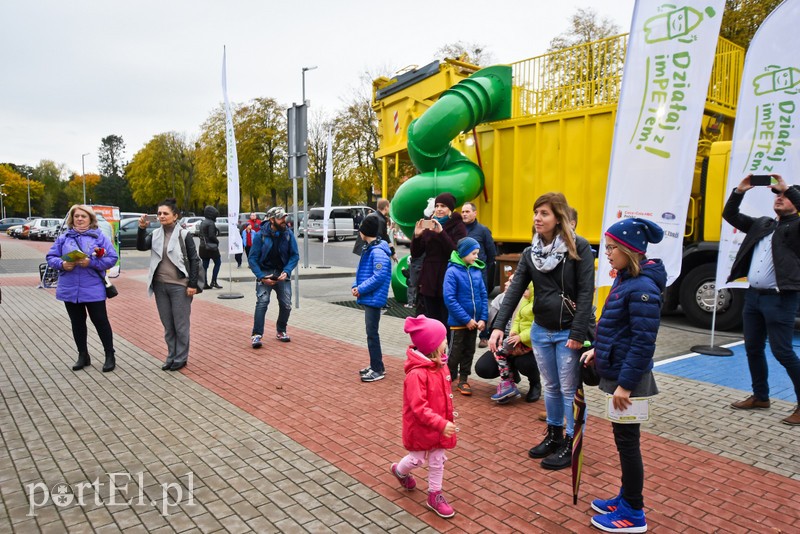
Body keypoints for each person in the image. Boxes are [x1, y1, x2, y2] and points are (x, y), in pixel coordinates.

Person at [489, 192, 594, 471]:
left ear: (559, 217)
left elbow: (586, 296)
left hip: (568, 332)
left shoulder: (579, 248)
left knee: (569, 389)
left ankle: (572, 443)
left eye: (544, 213)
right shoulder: (530, 252)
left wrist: (577, 334)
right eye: (536, 213)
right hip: (541, 330)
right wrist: (498, 326)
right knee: (551, 387)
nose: (537, 218)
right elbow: (512, 291)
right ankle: (555, 436)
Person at [582, 217, 666, 533]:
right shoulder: (627, 279)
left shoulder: (642, 287)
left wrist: (626, 386)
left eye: (613, 248)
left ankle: (633, 513)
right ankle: (626, 496)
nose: (608, 254)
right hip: (622, 374)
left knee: (628, 444)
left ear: (630, 250)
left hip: (631, 380)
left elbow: (644, 341)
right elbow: (619, 328)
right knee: (623, 442)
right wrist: (597, 349)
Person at [723, 174, 800, 426]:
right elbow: (731, 216)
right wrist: (740, 191)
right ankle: (760, 396)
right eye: (777, 195)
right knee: (753, 347)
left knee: (783, 352)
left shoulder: (796, 228)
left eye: (785, 196)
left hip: (780, 299)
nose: (779, 198)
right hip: (753, 297)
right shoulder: (764, 224)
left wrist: (788, 188)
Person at [390, 315, 457, 519]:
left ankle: (434, 494)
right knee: (417, 459)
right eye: (444, 339)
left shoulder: (441, 366)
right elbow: (419, 407)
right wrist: (440, 422)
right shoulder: (416, 375)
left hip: (439, 426)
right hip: (422, 427)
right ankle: (400, 471)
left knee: (438, 460)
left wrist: (444, 421)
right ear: (433, 345)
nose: (447, 342)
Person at [46, 205, 119, 372]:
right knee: (77, 323)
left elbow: (112, 257)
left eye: (83, 216)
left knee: (100, 321)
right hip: (70, 288)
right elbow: (51, 257)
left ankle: (109, 354)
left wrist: (91, 262)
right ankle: (83, 355)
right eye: (77, 216)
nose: (79, 219)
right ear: (72, 219)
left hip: (93, 287)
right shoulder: (64, 237)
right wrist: (62, 264)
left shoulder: (99, 236)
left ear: (90, 219)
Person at [137, 199, 202, 371]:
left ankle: (181, 357)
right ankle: (171, 355)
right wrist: (141, 229)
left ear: (175, 216)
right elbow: (141, 246)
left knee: (180, 324)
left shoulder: (184, 234)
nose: (161, 216)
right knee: (168, 324)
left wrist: (192, 284)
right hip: (160, 285)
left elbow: (194, 260)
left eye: (165, 213)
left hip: (180, 286)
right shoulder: (156, 234)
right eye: (159, 213)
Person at [475, 273, 542, 404]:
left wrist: (520, 336)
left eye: (511, 282)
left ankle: (535, 383)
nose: (505, 284)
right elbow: (495, 323)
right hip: (507, 341)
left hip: (526, 344)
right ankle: (510, 377)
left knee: (524, 363)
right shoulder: (500, 299)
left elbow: (538, 327)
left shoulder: (534, 303)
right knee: (483, 368)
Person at [411, 192, 468, 328]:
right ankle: (434, 348)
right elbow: (416, 253)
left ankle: (447, 347)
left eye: (443, 206)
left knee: (445, 319)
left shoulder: (458, 226)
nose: (439, 209)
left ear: (450, 209)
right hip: (429, 278)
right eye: (437, 206)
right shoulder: (429, 224)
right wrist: (417, 236)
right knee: (431, 320)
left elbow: (456, 253)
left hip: (447, 276)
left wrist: (441, 233)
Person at [249, 207, 299, 347]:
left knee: (286, 304)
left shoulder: (288, 234)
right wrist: (261, 277)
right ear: (271, 220)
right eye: (280, 218)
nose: (284, 221)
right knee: (262, 302)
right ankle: (256, 335)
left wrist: (287, 271)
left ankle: (281, 330)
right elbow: (252, 258)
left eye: (284, 217)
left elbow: (295, 255)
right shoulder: (260, 236)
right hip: (265, 273)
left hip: (282, 273)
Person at [443, 237, 488, 395]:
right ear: (463, 253)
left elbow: (483, 295)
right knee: (455, 353)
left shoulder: (476, 271)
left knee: (469, 351)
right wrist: (466, 319)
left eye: (477, 253)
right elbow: (450, 299)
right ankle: (445, 379)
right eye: (473, 253)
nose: (477, 256)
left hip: (474, 323)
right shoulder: (452, 271)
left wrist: (483, 318)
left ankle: (463, 381)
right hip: (459, 323)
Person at [352, 216, 393, 382]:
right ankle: (377, 365)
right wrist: (356, 286)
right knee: (371, 333)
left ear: (363, 232)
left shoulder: (376, 251)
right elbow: (362, 272)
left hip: (374, 298)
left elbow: (379, 276)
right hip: (370, 297)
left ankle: (377, 369)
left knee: (372, 334)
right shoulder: (370, 248)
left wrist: (360, 289)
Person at [461, 202, 497, 348]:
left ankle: (484, 336)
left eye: (467, 211)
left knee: (482, 304)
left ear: (475, 213)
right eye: (463, 211)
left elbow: (491, 253)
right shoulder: (459, 230)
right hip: (463, 273)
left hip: (478, 273)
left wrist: (482, 270)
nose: (464, 214)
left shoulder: (482, 231)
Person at [198, 205, 223, 289]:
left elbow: (200, 234)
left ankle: (204, 283)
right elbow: (212, 236)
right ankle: (214, 281)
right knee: (218, 263)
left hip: (202, 247)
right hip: (211, 248)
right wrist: (217, 241)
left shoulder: (202, 222)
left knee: (205, 265)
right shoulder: (211, 223)